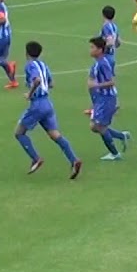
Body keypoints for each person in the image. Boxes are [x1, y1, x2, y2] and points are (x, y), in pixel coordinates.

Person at [14, 41, 82, 179]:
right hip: (47, 104)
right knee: (55, 135)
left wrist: (30, 94)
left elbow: (37, 80)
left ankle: (35, 158)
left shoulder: (30, 66)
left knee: (19, 133)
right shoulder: (43, 65)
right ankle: (74, 160)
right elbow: (51, 83)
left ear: (26, 53)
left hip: (37, 104)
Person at [84, 37, 131, 161]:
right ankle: (121, 136)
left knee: (99, 127)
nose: (90, 50)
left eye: (92, 47)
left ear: (100, 50)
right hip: (100, 99)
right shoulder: (97, 64)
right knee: (94, 127)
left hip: (107, 98)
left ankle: (115, 154)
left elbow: (111, 82)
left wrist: (96, 85)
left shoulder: (103, 64)